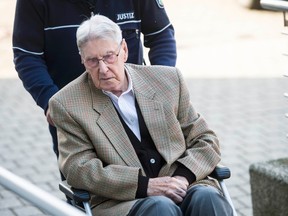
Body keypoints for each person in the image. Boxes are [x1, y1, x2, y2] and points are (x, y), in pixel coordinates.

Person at [48, 14, 233, 216]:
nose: (103, 69)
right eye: (92, 61)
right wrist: (146, 186)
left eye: (109, 56)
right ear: (82, 60)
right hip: (122, 201)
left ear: (124, 50)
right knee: (161, 209)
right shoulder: (66, 104)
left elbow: (205, 139)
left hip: (182, 185)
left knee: (207, 198)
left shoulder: (168, 80)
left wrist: (183, 177)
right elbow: (78, 169)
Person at [12, 0, 176, 165]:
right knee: (87, 180)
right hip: (74, 114)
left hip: (136, 104)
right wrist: (49, 100)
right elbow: (27, 55)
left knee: (159, 175)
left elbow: (161, 36)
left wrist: (158, 83)